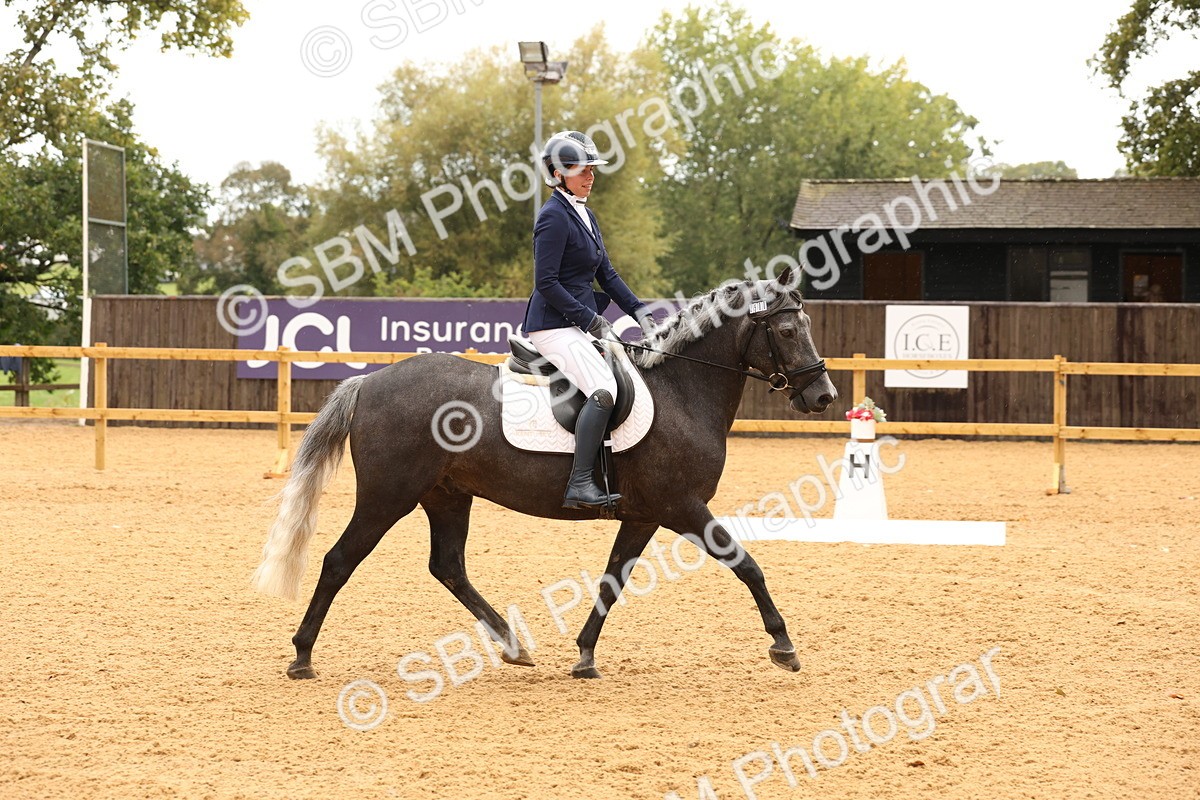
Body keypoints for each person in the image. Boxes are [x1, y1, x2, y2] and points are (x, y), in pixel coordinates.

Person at [522, 130, 652, 510]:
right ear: (558, 174)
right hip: (552, 325)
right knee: (603, 389)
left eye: (592, 170)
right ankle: (580, 483)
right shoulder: (553, 217)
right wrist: (589, 319)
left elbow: (607, 275)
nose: (591, 177)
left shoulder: (585, 214)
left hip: (575, 322)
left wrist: (641, 312)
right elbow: (545, 283)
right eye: (582, 170)